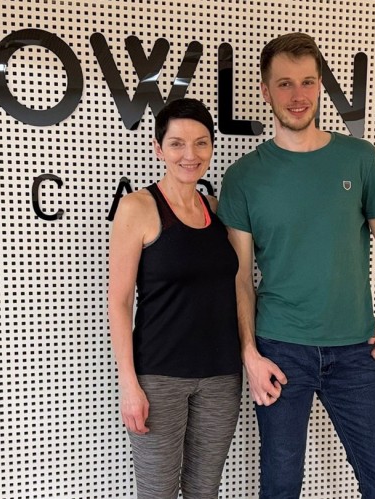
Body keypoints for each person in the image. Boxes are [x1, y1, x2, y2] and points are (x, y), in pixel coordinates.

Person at [217, 33, 375, 498]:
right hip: (280, 350)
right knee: (281, 487)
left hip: (355, 350)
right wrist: (249, 354)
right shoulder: (243, 177)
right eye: (284, 84)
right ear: (265, 91)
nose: (297, 95)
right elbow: (239, 277)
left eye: (306, 82)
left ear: (320, 84)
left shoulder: (359, 159)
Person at [107, 98, 242, 499]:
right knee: (158, 492)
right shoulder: (137, 207)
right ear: (158, 148)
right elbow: (119, 301)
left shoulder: (218, 211)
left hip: (221, 375)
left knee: (205, 491)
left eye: (201, 143)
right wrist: (129, 384)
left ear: (211, 147)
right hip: (159, 375)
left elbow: (237, 289)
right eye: (177, 143)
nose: (190, 155)